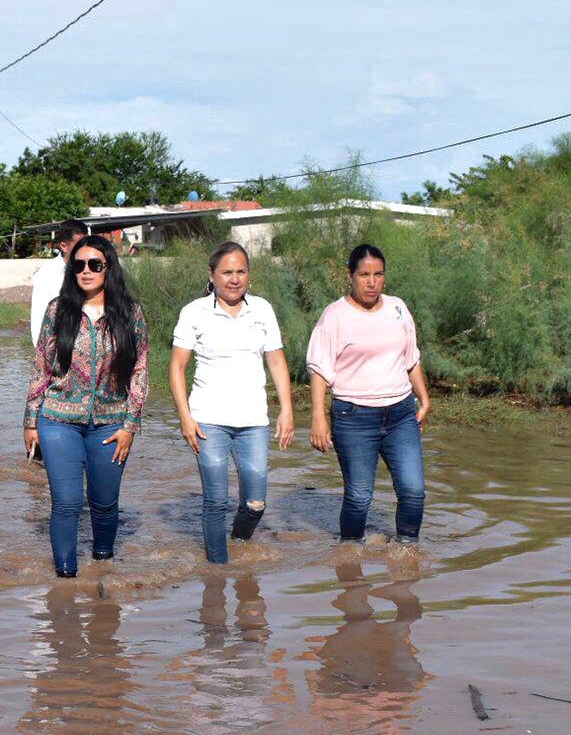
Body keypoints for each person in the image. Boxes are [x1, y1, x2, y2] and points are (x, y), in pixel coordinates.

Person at [24, 235, 149, 578]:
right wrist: (31, 421)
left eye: (95, 264)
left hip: (111, 424)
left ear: (109, 268)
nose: (86, 271)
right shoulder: (57, 311)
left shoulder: (131, 314)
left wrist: (130, 426)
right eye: (78, 265)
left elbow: (140, 371)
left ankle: (103, 570)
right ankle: (65, 582)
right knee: (66, 503)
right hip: (58, 420)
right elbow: (41, 368)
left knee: (105, 504)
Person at [168, 241, 295, 563]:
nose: (235, 279)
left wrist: (287, 410)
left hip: (253, 421)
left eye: (241, 271)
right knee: (215, 501)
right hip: (208, 420)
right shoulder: (194, 312)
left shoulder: (262, 310)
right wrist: (185, 417)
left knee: (256, 503)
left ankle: (238, 541)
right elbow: (177, 367)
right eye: (227, 272)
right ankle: (218, 569)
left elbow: (276, 361)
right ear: (212, 275)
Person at [307, 243, 431, 543]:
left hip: (401, 414)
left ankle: (408, 552)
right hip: (354, 417)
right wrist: (318, 418)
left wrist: (424, 398)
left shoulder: (397, 308)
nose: (372, 282)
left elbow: (411, 358)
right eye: (364, 275)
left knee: (413, 491)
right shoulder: (334, 315)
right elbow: (319, 369)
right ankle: (350, 552)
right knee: (359, 496)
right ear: (350, 275)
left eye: (378, 274)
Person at [28, 219, 88, 343]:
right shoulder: (47, 273)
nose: (84, 248)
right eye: (79, 245)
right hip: (61, 345)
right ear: (63, 246)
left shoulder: (92, 269)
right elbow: (39, 316)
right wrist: (42, 350)